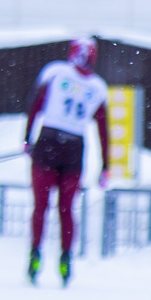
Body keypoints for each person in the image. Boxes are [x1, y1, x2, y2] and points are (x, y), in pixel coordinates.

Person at [25, 36, 110, 286]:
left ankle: (35, 254)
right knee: (66, 210)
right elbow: (104, 130)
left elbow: (35, 107)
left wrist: (27, 138)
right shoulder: (98, 87)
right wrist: (106, 164)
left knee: (41, 206)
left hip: (48, 144)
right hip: (74, 149)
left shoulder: (55, 73)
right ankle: (65, 258)